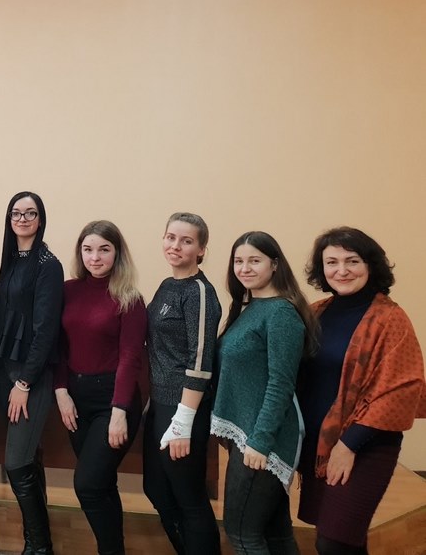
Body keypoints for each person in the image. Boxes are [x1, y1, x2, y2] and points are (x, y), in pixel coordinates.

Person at [297, 227, 426, 555]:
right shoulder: (315, 312)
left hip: (366, 445)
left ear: (370, 265)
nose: (341, 270)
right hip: (319, 443)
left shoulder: (390, 318)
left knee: (333, 541)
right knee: (345, 539)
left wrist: (349, 444)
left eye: (352, 261)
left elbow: (401, 387)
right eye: (332, 262)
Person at [211, 231, 318, 554]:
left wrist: (260, 441)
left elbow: (280, 384)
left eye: (254, 260)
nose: (244, 268)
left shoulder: (281, 313)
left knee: (242, 534)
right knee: (275, 533)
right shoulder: (251, 307)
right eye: (238, 261)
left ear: (274, 264)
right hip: (250, 436)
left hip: (263, 440)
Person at [53, 220, 147, 555]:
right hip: (76, 400)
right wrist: (61, 391)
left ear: (117, 253)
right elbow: (58, 346)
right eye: (88, 249)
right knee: (103, 485)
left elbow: (130, 358)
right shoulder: (68, 290)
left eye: (104, 250)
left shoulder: (130, 298)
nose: (95, 257)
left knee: (88, 485)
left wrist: (119, 412)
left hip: (114, 400)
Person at [143, 212, 221, 554]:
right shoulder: (167, 285)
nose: (176, 246)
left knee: (189, 498)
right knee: (157, 490)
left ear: (201, 250)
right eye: (171, 237)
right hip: (160, 404)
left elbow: (200, 360)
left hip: (183, 408)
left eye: (186, 241)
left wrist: (183, 421)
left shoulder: (199, 292)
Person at [0, 191, 63, 555]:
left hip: (29, 378)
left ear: (41, 219)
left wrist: (24, 382)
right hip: (6, 372)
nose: (22, 219)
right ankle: (35, 544)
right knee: (30, 459)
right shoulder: (10, 260)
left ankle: (40, 545)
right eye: (16, 213)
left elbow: (45, 330)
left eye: (30, 213)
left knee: (17, 463)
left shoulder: (48, 264)